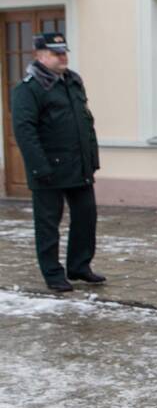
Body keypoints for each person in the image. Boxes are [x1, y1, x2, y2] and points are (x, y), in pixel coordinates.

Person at [12, 33, 104, 293]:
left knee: (86, 218)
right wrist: (39, 166)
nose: (63, 56)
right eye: (56, 53)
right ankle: (53, 273)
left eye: (64, 51)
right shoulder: (29, 88)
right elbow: (24, 131)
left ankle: (79, 266)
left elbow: (85, 122)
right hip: (48, 168)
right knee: (48, 224)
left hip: (79, 165)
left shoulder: (73, 81)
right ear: (40, 56)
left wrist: (92, 158)